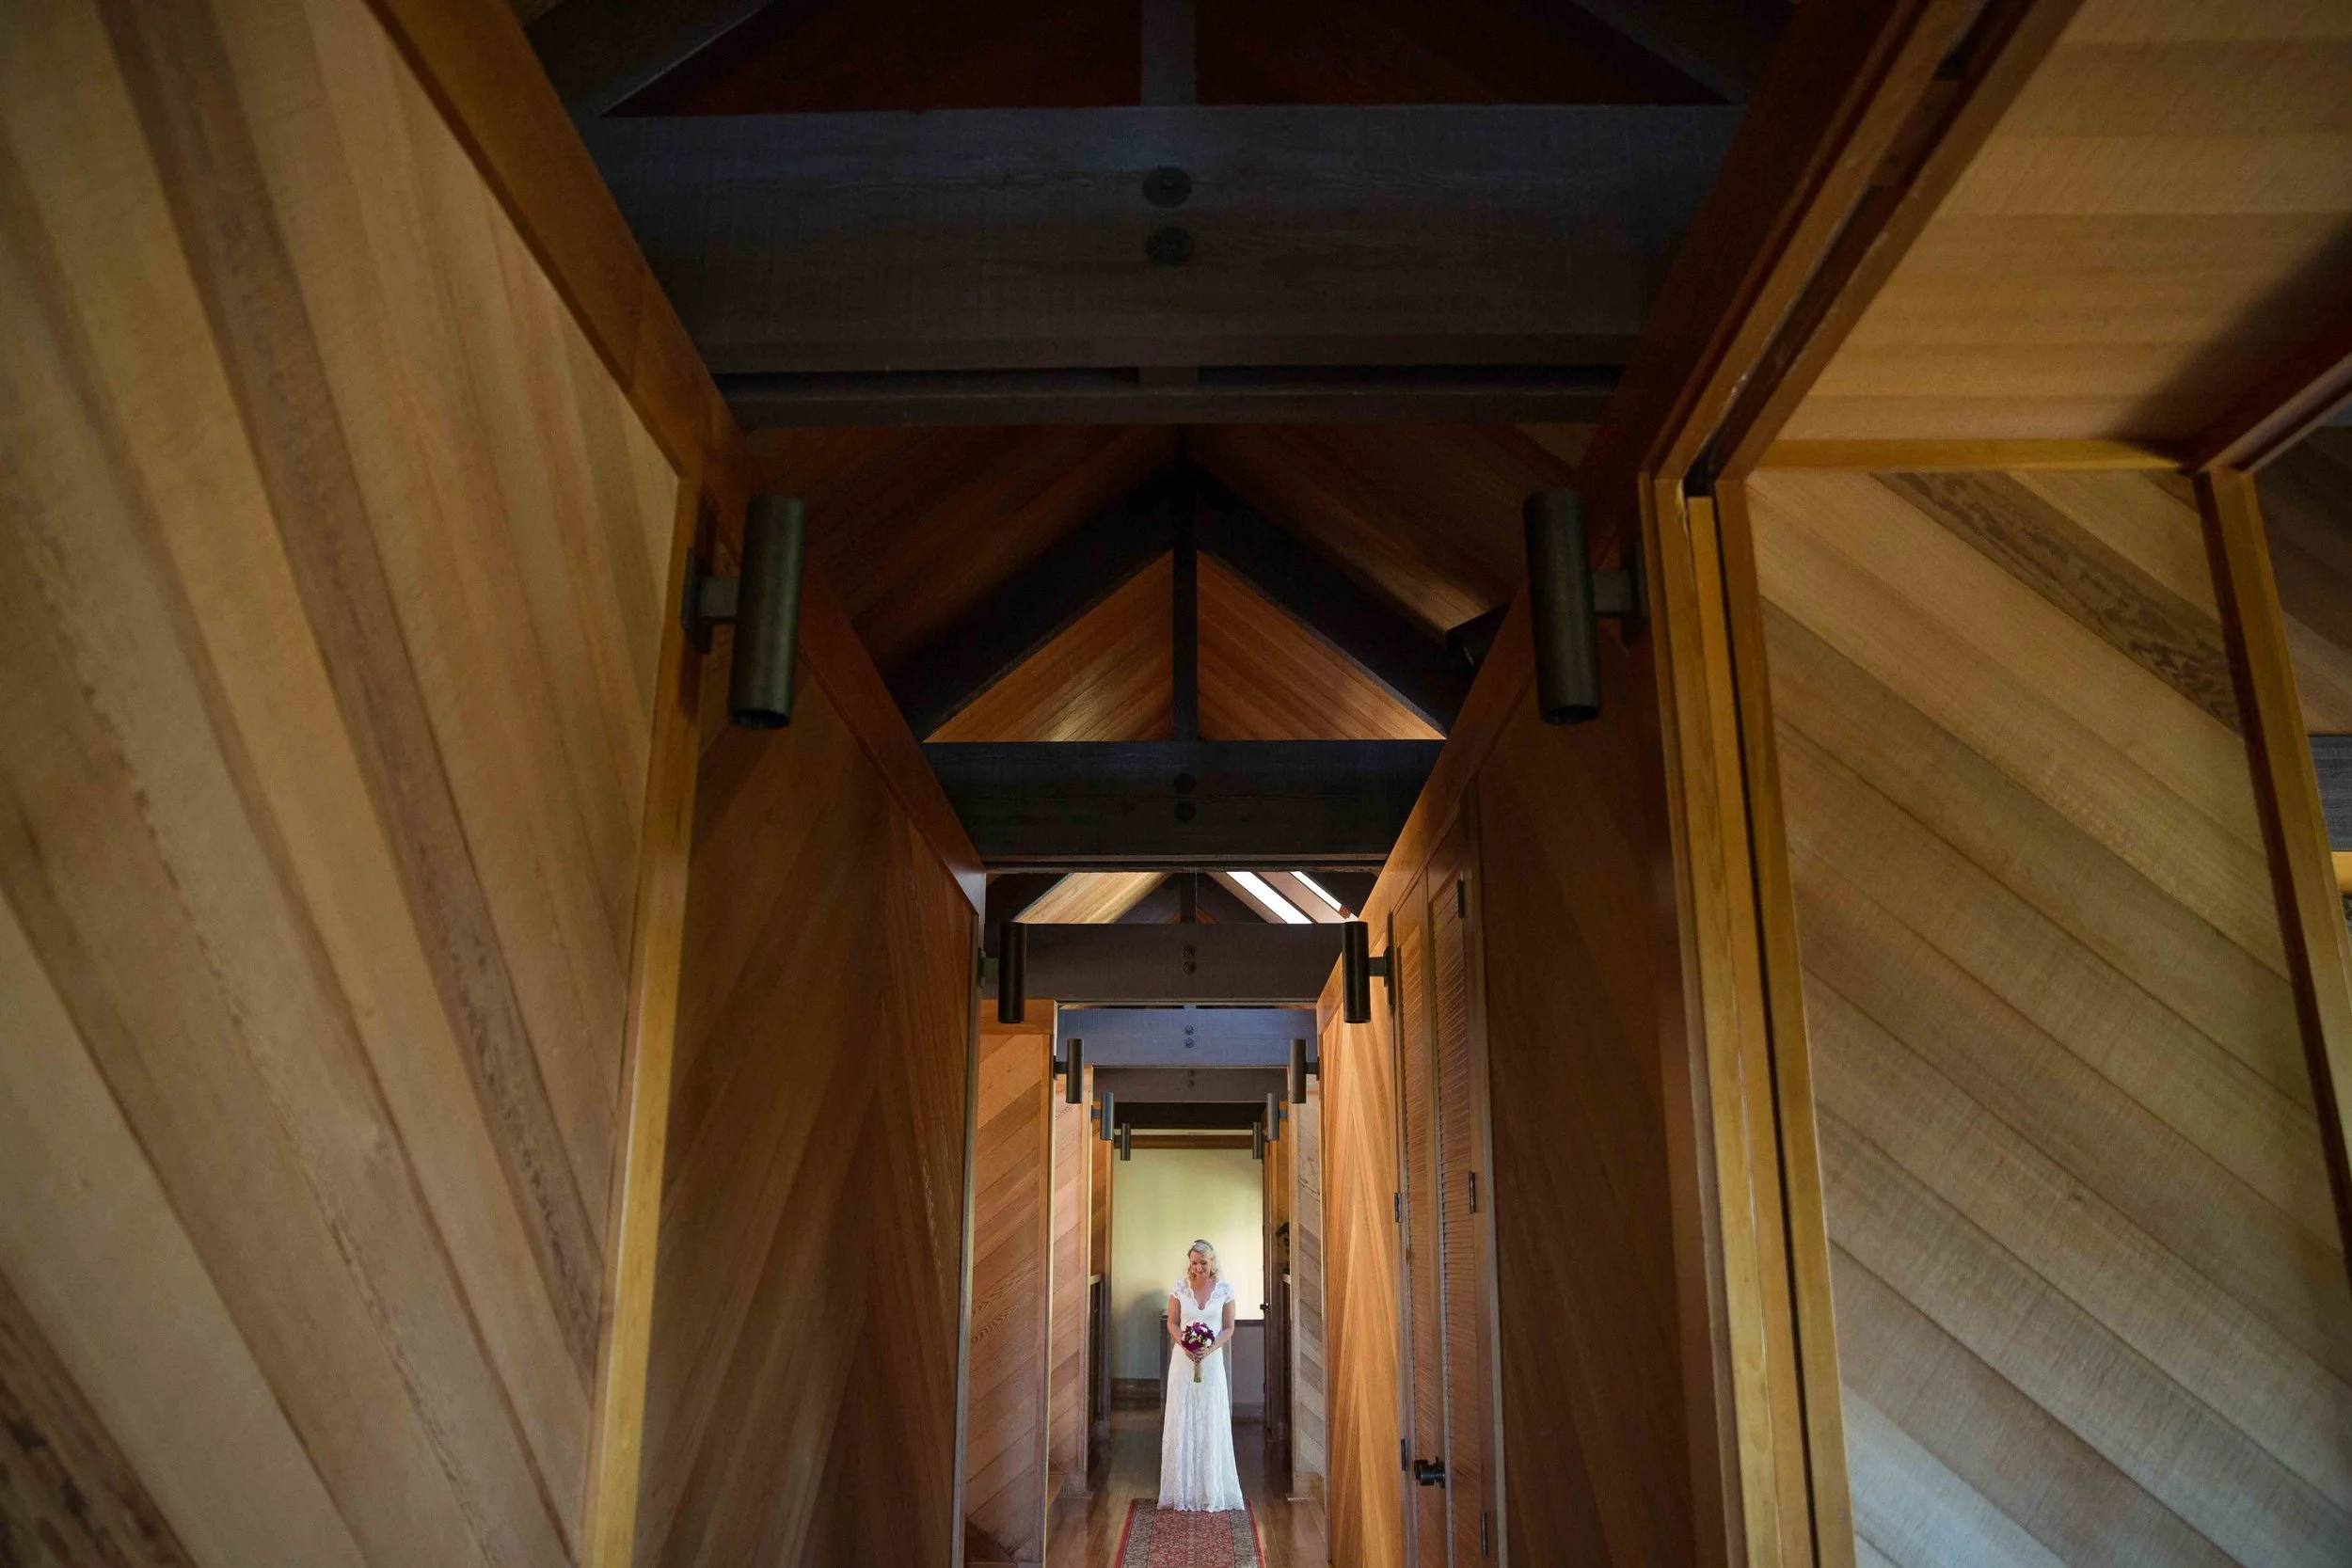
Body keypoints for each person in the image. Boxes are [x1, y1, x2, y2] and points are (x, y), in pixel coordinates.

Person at [1157, 1239, 1247, 1513]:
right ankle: (1180, 1490)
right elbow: (1172, 1322)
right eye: (1194, 1262)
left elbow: (1229, 1328)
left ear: (1212, 1262)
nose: (1198, 1268)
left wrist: (1209, 1349)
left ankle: (1210, 1489)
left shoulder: (1225, 1291)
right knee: (1183, 1416)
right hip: (1183, 1361)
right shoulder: (1179, 1288)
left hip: (1212, 1360)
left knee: (1209, 1416)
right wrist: (1185, 1344)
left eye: (1203, 1263)